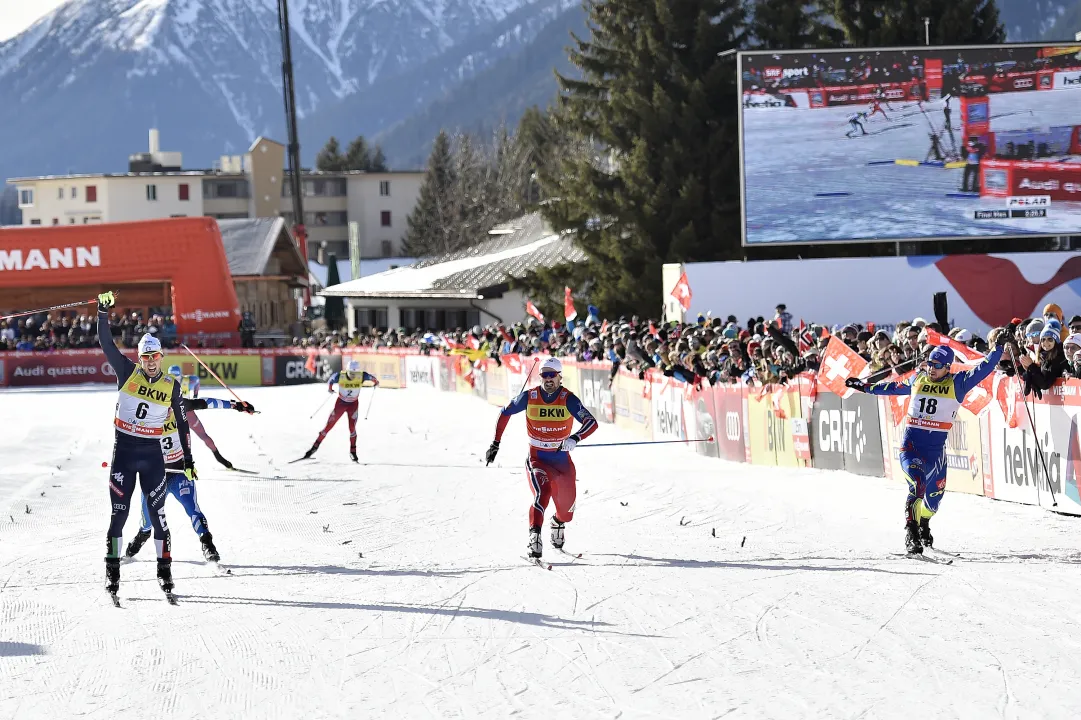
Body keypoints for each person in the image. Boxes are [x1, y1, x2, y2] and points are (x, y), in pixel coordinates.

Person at [845, 333, 1005, 555]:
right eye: (930, 363)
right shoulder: (917, 380)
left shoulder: (958, 383)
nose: (932, 369)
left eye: (937, 365)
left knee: (933, 502)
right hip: (911, 447)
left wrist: (998, 347)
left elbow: (985, 368)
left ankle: (923, 524)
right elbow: (891, 388)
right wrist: (864, 386)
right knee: (917, 485)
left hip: (936, 455)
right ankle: (911, 533)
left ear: (948, 367)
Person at [96, 291, 195, 600]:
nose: (151, 363)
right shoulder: (126, 372)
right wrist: (102, 312)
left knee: (157, 517)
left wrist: (188, 460)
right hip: (124, 454)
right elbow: (106, 343)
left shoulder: (171, 385)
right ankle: (112, 572)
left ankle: (164, 573)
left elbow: (180, 422)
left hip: (153, 457)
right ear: (140, 358)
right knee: (119, 517)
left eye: (155, 357)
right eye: (146, 357)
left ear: (161, 358)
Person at [484, 357, 598, 559]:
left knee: (567, 512)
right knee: (542, 493)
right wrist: (495, 443)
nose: (548, 379)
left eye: (552, 375)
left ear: (560, 377)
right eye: (544, 375)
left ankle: (558, 521)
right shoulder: (530, 396)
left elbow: (591, 422)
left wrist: (575, 438)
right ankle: (534, 537)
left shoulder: (567, 398)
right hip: (538, 459)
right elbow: (504, 413)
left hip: (562, 462)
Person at [125, 392, 257, 563]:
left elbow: (207, 402)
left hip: (180, 472)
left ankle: (208, 544)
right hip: (155, 476)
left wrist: (236, 405)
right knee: (148, 519)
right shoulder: (144, 413)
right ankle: (143, 533)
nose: (168, 410)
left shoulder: (181, 405)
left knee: (193, 509)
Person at [304, 360, 379, 461]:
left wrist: (376, 383)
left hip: (353, 405)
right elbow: (330, 380)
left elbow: (374, 379)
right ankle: (314, 448)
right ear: (347, 371)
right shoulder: (340, 376)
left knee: (352, 428)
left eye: (355, 373)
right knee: (328, 426)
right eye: (351, 373)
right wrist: (330, 389)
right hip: (341, 404)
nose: (353, 375)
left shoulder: (362, 375)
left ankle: (353, 452)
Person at [165, 365, 237, 469]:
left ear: (181, 375)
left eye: (177, 377)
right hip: (173, 414)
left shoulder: (187, 380)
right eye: (173, 376)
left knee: (202, 435)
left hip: (188, 412)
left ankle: (219, 457)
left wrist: (195, 395)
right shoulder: (170, 381)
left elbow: (196, 380)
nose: (175, 379)